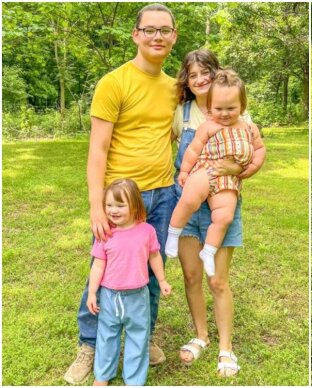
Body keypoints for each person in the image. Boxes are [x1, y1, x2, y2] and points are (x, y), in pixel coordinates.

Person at [64, 3, 179, 384]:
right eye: (150, 29)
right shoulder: (114, 83)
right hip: (121, 199)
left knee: (149, 268)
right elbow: (97, 149)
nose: (157, 36)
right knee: (106, 267)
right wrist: (96, 204)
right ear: (136, 34)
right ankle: (90, 344)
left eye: (165, 30)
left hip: (163, 194)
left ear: (174, 37)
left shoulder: (172, 88)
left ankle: (142, 337)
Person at [169, 50, 261, 376]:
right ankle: (201, 336)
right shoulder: (181, 113)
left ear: (216, 73)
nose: (200, 80)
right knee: (191, 276)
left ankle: (226, 348)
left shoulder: (239, 117)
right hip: (188, 203)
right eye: (192, 75)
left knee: (217, 280)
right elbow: (176, 152)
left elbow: (253, 156)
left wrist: (239, 168)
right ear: (187, 81)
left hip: (221, 207)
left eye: (205, 72)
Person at [165, 69, 266, 278]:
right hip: (205, 169)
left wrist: (253, 167)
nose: (225, 113)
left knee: (225, 216)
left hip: (229, 180)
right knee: (189, 200)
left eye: (231, 108)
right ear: (210, 109)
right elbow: (193, 150)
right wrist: (184, 171)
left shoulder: (249, 127)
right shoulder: (208, 126)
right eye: (218, 108)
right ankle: (173, 234)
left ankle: (209, 251)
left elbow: (259, 149)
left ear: (242, 107)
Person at [87, 179, 172, 386]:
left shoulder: (146, 231)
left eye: (120, 205)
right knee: (107, 336)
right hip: (110, 295)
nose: (113, 210)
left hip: (138, 296)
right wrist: (92, 293)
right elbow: (98, 265)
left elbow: (154, 257)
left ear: (134, 204)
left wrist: (161, 280)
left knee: (138, 337)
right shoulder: (105, 234)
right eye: (109, 205)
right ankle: (103, 375)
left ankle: (134, 379)